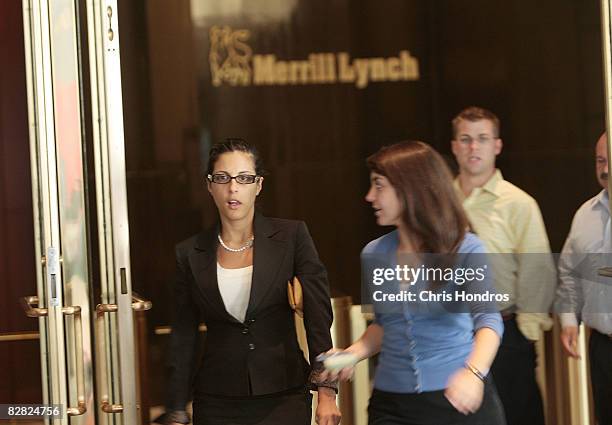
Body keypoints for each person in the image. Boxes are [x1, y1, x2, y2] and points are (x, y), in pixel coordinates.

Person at [160, 138, 341, 425]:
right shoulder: (189, 253)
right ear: (209, 185)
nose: (233, 188)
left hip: (283, 395)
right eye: (222, 178)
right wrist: (176, 408)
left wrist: (327, 391)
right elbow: (184, 337)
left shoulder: (292, 237)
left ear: (258, 185)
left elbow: (318, 319)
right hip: (216, 400)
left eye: (244, 179)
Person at [324, 141, 506, 425]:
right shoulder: (374, 254)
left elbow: (488, 321)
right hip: (391, 404)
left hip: (456, 400)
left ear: (411, 188)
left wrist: (473, 373)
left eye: (379, 185)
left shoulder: (466, 249)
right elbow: (384, 324)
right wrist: (352, 353)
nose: (369, 196)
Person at [450, 106, 556, 425]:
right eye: (465, 139)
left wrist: (525, 331)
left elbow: (537, 269)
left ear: (497, 145)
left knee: (516, 415)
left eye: (482, 138)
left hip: (506, 331)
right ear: (454, 146)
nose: (473, 147)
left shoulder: (518, 203)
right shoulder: (440, 201)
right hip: (451, 332)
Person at [556, 133, 612, 425]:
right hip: (602, 346)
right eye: (599, 160)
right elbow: (569, 272)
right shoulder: (584, 215)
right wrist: (568, 321)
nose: (604, 168)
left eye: (609, 160)